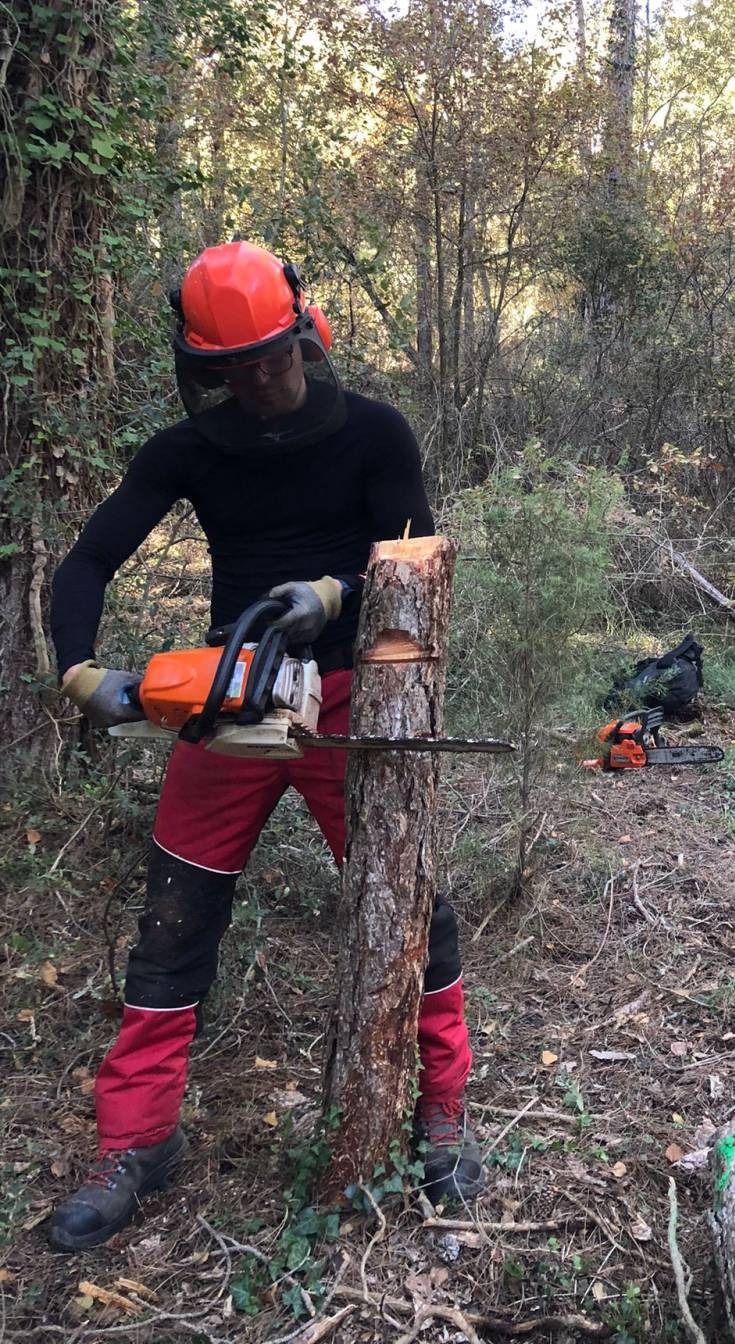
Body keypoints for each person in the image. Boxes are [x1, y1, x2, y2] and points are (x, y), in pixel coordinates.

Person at [48, 241, 483, 1252]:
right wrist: (81, 672)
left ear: (304, 334)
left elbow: (420, 556)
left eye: (273, 356)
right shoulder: (187, 451)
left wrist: (337, 591)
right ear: (206, 368)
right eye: (234, 367)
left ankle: (442, 1107)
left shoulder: (374, 432)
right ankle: (136, 1140)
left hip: (351, 693)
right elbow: (89, 559)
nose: (260, 378)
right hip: (231, 697)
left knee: (412, 901)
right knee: (173, 917)